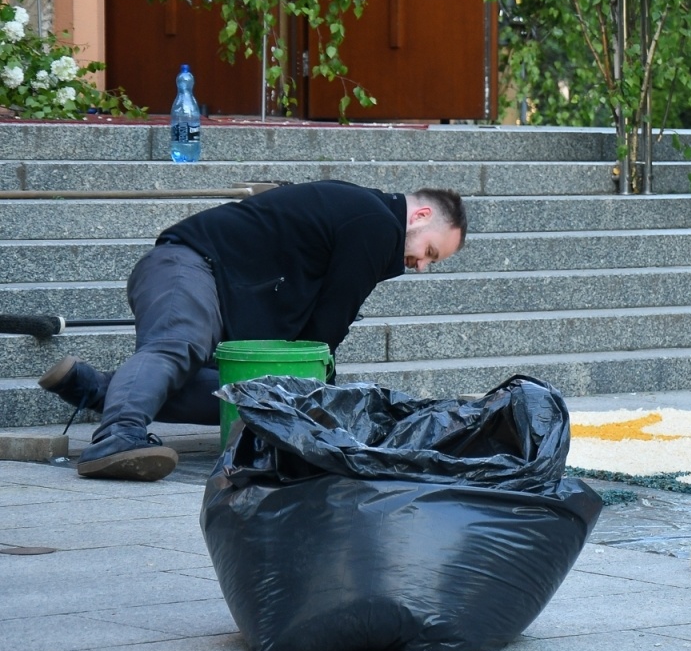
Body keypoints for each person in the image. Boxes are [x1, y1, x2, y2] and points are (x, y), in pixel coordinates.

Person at [37, 180, 467, 481]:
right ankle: (117, 436)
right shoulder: (377, 225)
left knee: (251, 398)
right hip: (189, 265)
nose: (421, 266)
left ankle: (95, 389)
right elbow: (326, 330)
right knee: (178, 344)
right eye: (429, 251)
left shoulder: (365, 218)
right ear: (421, 215)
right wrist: (318, 407)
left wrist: (300, 406)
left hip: (214, 285)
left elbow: (313, 336)